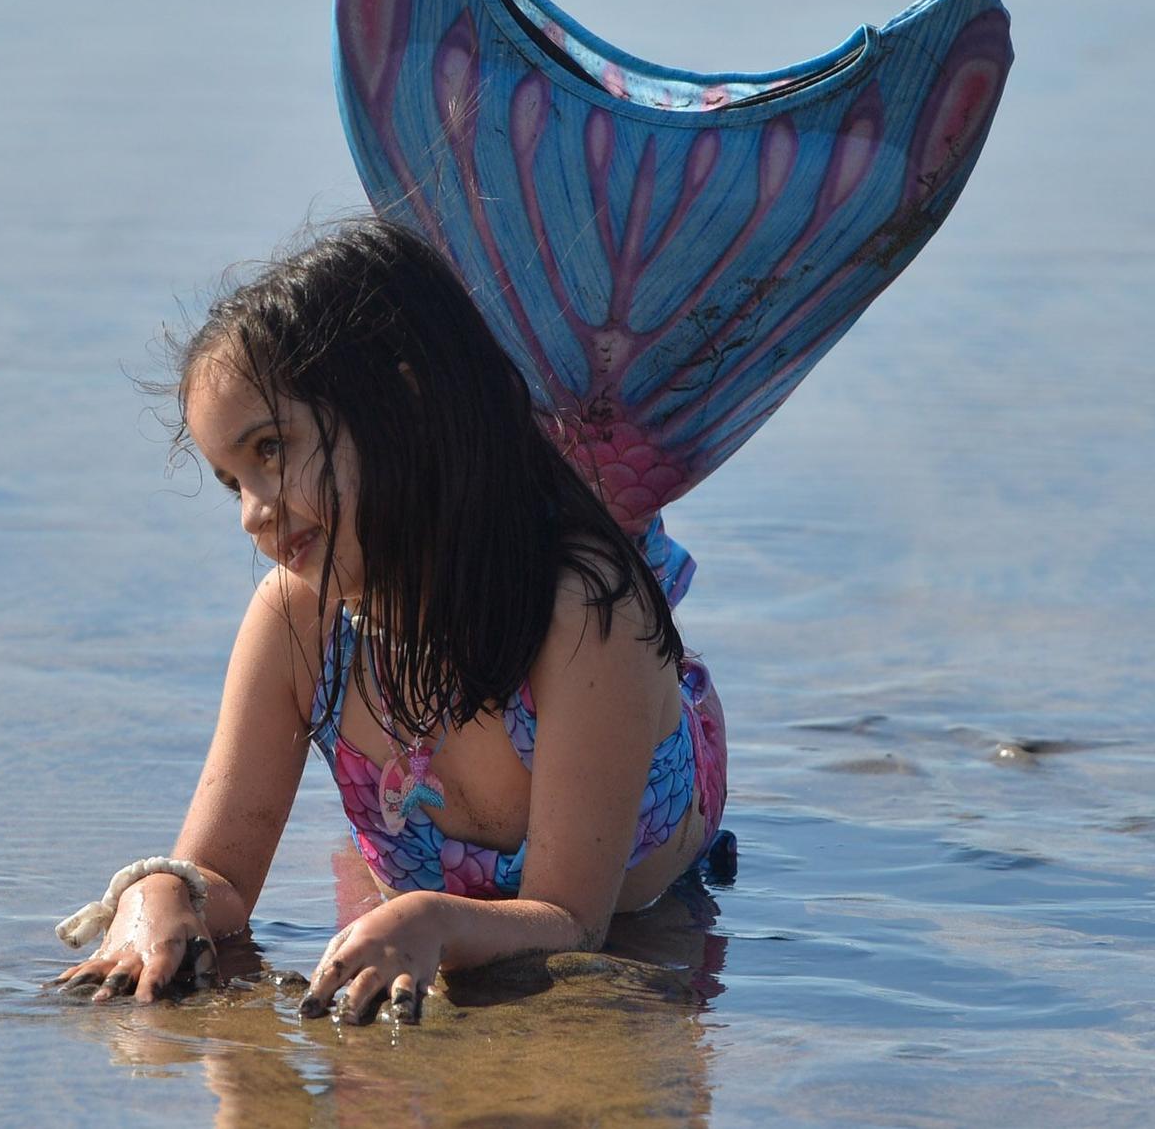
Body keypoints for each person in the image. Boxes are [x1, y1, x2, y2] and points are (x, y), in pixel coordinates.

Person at [53, 217, 728, 1024]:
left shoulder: (582, 616)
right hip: (429, 846)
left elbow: (574, 920)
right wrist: (159, 895)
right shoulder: (299, 622)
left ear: (403, 398)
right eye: (234, 482)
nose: (252, 515)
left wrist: (429, 915)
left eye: (271, 449)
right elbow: (218, 875)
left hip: (642, 858)